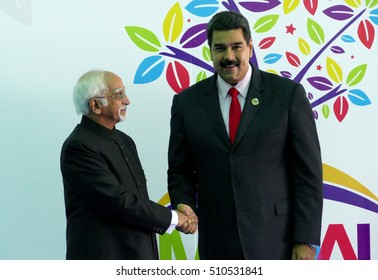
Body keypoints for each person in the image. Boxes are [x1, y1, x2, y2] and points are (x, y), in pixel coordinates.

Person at [167, 11, 323, 260]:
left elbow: (308, 174)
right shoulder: (187, 103)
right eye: (220, 48)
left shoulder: (287, 96)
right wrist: (184, 202)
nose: (229, 56)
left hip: (277, 240)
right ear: (210, 51)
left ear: (250, 48)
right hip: (218, 242)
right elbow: (180, 171)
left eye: (236, 46)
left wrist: (306, 240)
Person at [60, 70, 197, 260]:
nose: (127, 101)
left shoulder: (125, 140)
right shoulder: (79, 146)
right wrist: (173, 218)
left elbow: (136, 199)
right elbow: (117, 201)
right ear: (96, 104)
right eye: (119, 95)